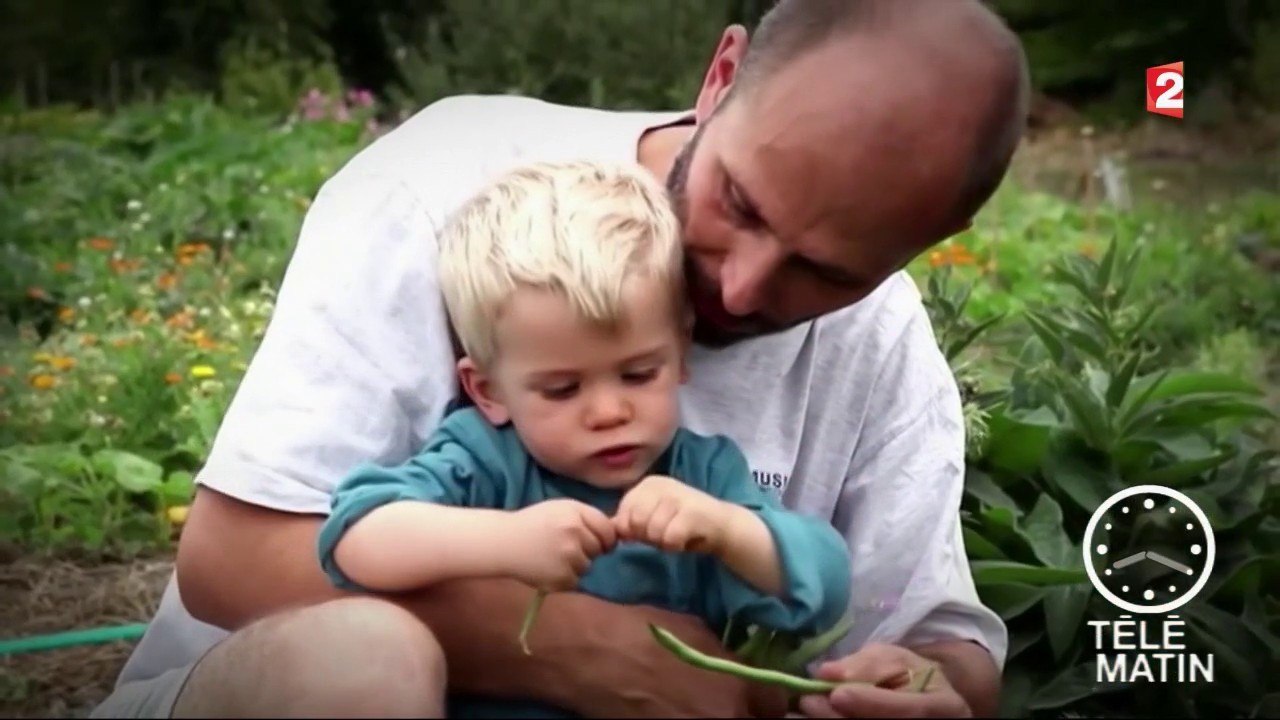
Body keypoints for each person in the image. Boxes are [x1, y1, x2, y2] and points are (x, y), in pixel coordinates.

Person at [92, 0, 1030, 717]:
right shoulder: (452, 191)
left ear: (936, 235)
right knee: (368, 663)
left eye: (825, 271)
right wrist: (584, 650)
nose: (741, 292)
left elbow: (940, 642)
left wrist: (919, 686)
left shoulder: (878, 339)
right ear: (721, 77)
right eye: (740, 203)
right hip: (276, 689)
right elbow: (231, 559)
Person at [315, 159, 854, 717]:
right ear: (488, 391)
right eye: (562, 389)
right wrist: (505, 541)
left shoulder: (702, 478)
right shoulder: (484, 460)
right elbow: (355, 537)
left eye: (640, 374)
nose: (608, 412)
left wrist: (727, 532)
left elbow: (825, 588)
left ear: (681, 354)